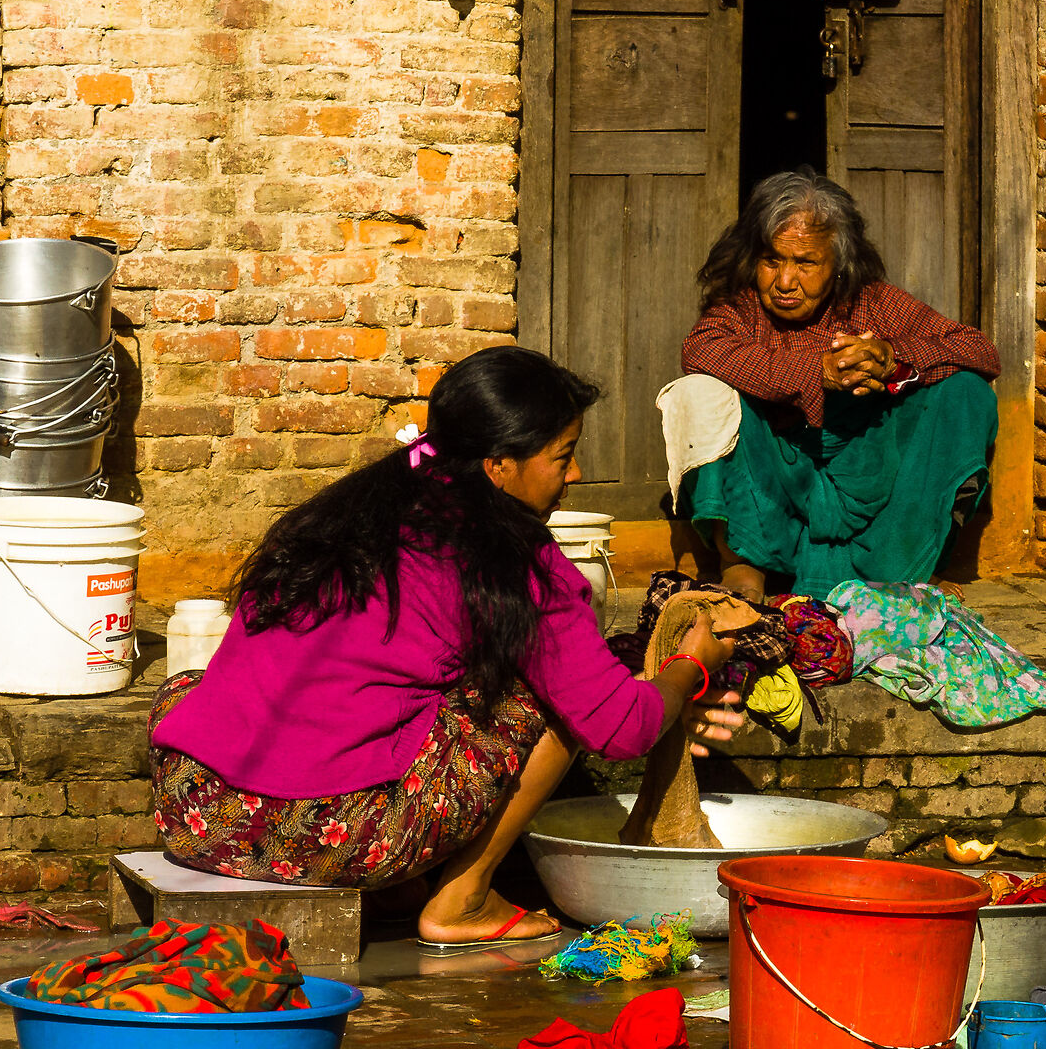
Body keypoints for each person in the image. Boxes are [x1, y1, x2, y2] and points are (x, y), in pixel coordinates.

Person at [147, 348, 749, 951]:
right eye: (562, 457)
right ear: (497, 465)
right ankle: (464, 898)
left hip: (198, 812)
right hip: (335, 836)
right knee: (543, 698)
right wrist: (691, 664)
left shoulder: (349, 511)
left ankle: (397, 887)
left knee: (194, 686)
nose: (576, 475)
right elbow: (619, 727)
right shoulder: (519, 567)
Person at [676, 169, 1001, 600]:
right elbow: (701, 349)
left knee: (967, 393)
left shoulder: (872, 302)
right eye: (772, 260)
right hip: (779, 483)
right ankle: (741, 563)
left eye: (806, 263)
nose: (786, 281)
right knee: (698, 392)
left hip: (868, 471)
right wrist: (818, 372)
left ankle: (909, 562)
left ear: (838, 263)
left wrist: (893, 359)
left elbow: (980, 350)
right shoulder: (741, 308)